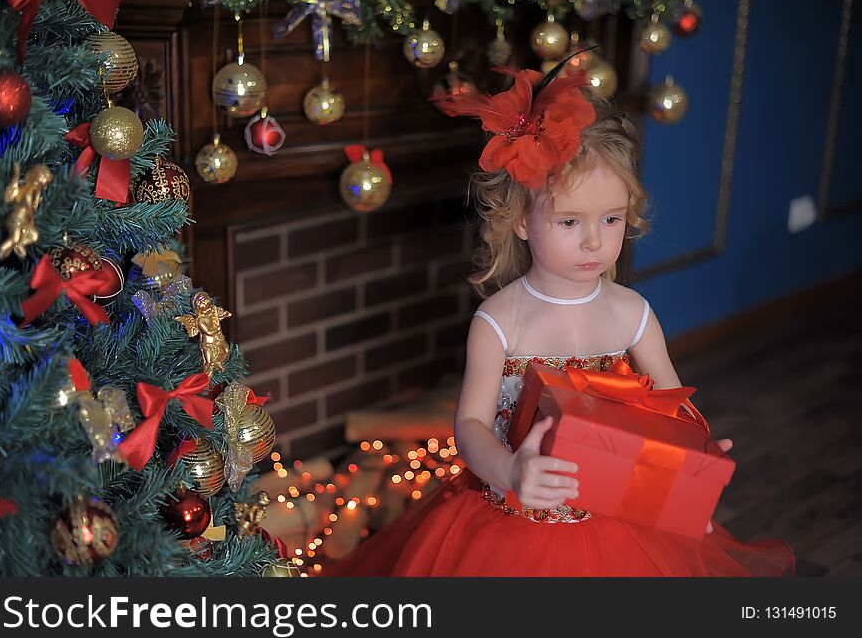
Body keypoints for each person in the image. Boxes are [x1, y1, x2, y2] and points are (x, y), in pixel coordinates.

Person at [324, 61, 797, 577]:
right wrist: (508, 469)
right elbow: (471, 425)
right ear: (522, 221)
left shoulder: (632, 314)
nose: (594, 241)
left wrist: (691, 470)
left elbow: (671, 410)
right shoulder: (499, 322)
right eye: (570, 221)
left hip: (620, 521)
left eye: (611, 219)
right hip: (510, 521)